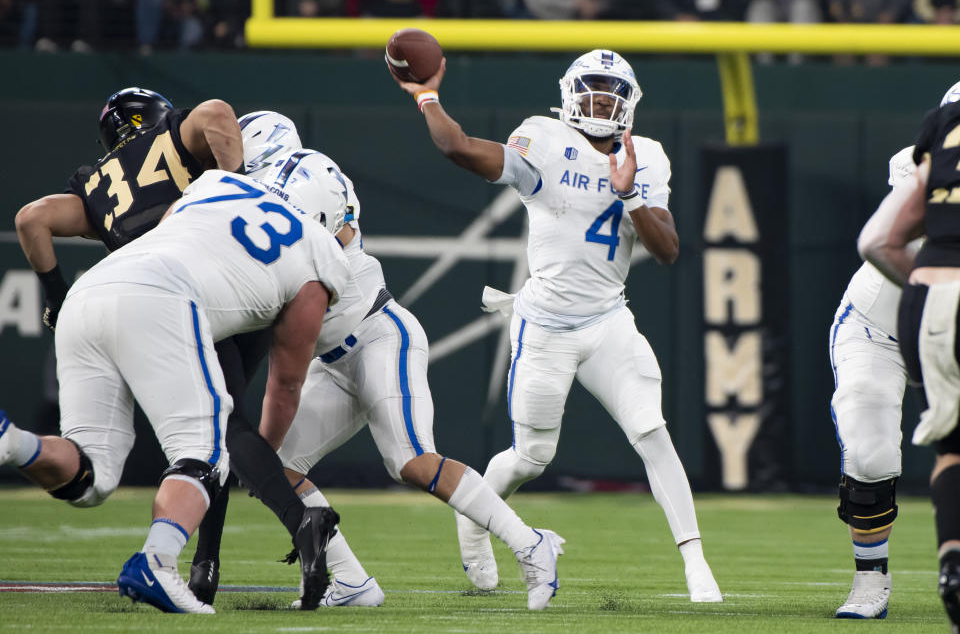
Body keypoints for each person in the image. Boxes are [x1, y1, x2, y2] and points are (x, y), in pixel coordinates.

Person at [188, 111, 565, 611]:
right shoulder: (298, 185)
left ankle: (530, 544)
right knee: (278, 468)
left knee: (410, 460)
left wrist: (259, 453)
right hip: (331, 359)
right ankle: (352, 583)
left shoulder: (302, 186)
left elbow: (285, 375)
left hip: (379, 335)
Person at [390, 49, 722, 602]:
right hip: (544, 325)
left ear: (630, 103)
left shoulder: (649, 157)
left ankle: (696, 564)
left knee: (652, 433)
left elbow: (667, 249)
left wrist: (631, 194)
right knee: (531, 457)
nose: (599, 101)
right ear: (569, 94)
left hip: (608, 321)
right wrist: (427, 96)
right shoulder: (542, 139)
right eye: (590, 89)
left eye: (611, 91)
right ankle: (474, 519)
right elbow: (459, 147)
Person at [14, 88, 335, 610]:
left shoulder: (99, 184)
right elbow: (214, 113)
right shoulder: (182, 147)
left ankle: (210, 562)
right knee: (217, 435)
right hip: (199, 287)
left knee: (172, 446)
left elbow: (32, 218)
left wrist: (55, 294)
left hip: (137, 291)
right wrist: (233, 182)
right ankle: (257, 540)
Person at [828, 82, 960, 620]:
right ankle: (870, 578)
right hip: (882, 327)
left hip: (947, 324)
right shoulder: (918, 166)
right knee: (869, 450)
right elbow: (887, 242)